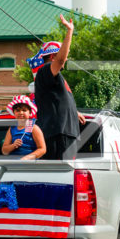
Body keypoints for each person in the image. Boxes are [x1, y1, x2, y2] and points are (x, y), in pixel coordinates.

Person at [29, 14, 86, 161]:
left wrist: (74, 111)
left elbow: (56, 99)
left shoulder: (54, 76)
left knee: (64, 176)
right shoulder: (45, 70)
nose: (66, 58)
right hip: (57, 133)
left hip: (63, 133)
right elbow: (61, 60)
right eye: (62, 55)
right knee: (60, 177)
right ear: (53, 56)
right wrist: (70, 31)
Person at [2, 95, 46, 160]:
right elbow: (4, 151)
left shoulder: (33, 128)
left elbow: (42, 149)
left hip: (29, 166)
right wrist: (13, 145)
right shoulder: (12, 129)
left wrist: (27, 158)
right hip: (14, 165)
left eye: (24, 110)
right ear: (14, 112)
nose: (21, 113)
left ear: (30, 112)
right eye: (18, 110)